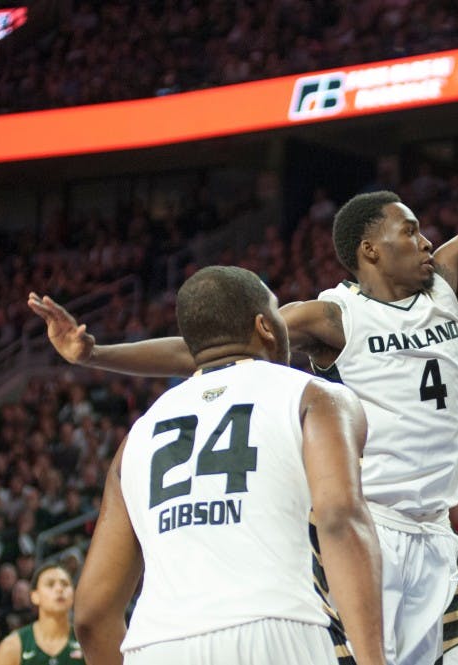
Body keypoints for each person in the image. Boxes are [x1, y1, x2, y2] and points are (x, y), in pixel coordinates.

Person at [27, 3, 458, 663]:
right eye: (408, 230)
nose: (425, 239)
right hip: (366, 526)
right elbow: (215, 347)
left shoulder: (449, 279)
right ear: (368, 247)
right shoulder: (332, 314)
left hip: (437, 529)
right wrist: (96, 351)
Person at [69, 266, 384, 665]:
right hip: (275, 627)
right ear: (265, 326)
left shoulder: (137, 436)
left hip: (157, 645)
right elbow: (340, 517)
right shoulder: (316, 398)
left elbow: (92, 616)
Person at [0, 564, 85, 665]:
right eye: (50, 584)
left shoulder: (89, 643)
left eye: (65, 584)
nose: (59, 589)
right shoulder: (12, 646)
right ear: (34, 596)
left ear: (73, 593)